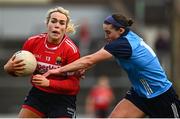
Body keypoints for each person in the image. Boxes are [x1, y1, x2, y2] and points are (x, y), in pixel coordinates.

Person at [42, 13, 180, 118]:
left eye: (108, 32)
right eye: (104, 32)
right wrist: (82, 68)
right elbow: (92, 61)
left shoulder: (122, 44)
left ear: (120, 31)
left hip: (162, 96)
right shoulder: (125, 39)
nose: (106, 36)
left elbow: (90, 59)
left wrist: (58, 70)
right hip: (140, 95)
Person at [4, 6, 82, 118]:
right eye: (53, 21)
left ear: (65, 28)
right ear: (47, 24)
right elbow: (18, 69)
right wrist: (8, 68)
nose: (57, 25)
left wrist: (49, 83)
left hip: (63, 99)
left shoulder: (71, 50)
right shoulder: (32, 42)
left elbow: (74, 85)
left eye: (61, 23)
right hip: (38, 95)